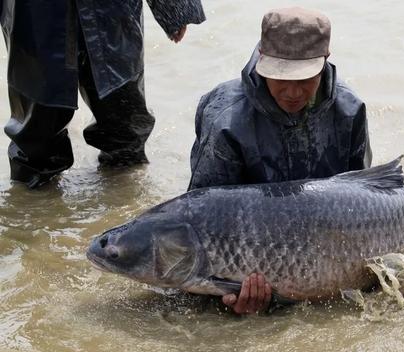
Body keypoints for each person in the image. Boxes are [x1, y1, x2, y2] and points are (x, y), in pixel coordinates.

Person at [188, 7, 372, 314]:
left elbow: (361, 197)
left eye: (305, 79)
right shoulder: (225, 120)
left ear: (325, 61)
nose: (292, 92)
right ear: (262, 58)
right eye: (280, 78)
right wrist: (228, 288)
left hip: (325, 237)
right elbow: (204, 215)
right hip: (249, 247)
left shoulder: (349, 110)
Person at [0, 0, 206, 189]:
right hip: (34, 12)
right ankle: (33, 214)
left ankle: (123, 204)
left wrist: (173, 8)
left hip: (110, 12)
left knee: (124, 123)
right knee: (36, 136)